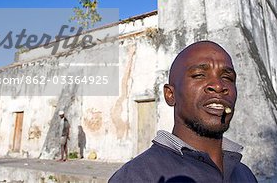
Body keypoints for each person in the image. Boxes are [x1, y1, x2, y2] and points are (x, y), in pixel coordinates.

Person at [109, 41, 257, 182]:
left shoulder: (244, 174)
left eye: (227, 77)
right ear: (170, 95)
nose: (218, 86)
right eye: (199, 75)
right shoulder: (135, 177)